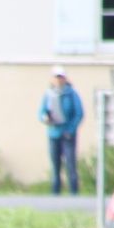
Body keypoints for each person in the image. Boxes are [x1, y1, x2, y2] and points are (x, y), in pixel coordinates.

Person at [38, 65, 84, 196]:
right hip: (54, 133)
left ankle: (74, 193)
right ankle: (55, 193)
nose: (59, 80)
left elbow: (79, 113)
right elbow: (41, 112)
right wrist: (45, 118)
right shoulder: (48, 94)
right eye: (56, 77)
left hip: (68, 134)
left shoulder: (71, 94)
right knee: (55, 165)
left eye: (61, 77)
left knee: (70, 164)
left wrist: (70, 129)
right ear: (52, 79)